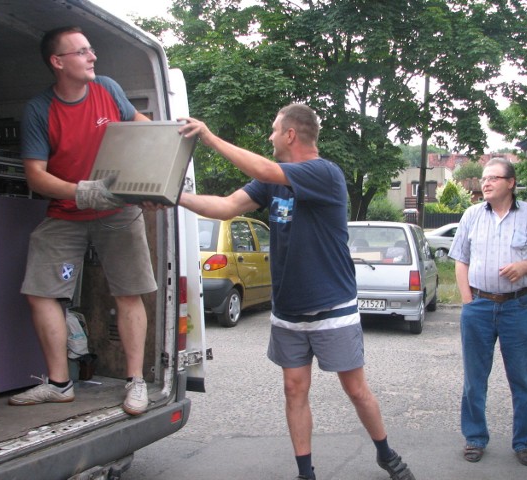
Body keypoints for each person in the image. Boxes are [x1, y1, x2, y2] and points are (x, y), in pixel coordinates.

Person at [178, 104, 415, 480]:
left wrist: (208, 137)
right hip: (288, 310)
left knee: (355, 390)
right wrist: (174, 198)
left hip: (332, 307)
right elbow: (225, 207)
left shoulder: (324, 173)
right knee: (293, 390)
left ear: (291, 134)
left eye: (274, 130)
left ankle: (385, 453)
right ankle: (306, 473)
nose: (270, 137)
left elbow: (266, 168)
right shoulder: (272, 182)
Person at [8, 26, 161, 415]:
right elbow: (35, 176)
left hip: (118, 211)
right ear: (57, 62)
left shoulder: (107, 89)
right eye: (81, 52)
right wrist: (80, 191)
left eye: (91, 50)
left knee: (129, 291)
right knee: (41, 291)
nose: (92, 57)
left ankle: (135, 382)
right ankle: (60, 385)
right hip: (67, 213)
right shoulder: (40, 110)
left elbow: (138, 123)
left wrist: (158, 174)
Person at [448, 157, 527, 466]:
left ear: (510, 183)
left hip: (518, 307)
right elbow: (460, 259)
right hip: (479, 307)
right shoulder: (471, 215)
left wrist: (526, 266)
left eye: (494, 178)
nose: (486, 183)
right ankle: (475, 438)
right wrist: (468, 300)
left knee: (522, 379)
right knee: (474, 378)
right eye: (484, 178)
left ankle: (524, 442)